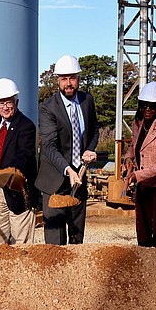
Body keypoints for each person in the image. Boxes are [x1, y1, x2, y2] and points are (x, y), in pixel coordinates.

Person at [35, 55, 99, 245]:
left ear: (78, 78)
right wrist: (68, 169)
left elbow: (94, 129)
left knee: (77, 234)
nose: (68, 83)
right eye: (64, 79)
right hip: (55, 178)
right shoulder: (48, 108)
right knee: (56, 240)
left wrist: (89, 149)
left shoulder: (87, 100)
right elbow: (49, 145)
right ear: (58, 81)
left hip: (79, 176)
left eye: (72, 78)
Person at [0, 78, 38, 244]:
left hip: (19, 189)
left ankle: (22, 269)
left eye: (8, 102)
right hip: (0, 190)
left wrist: (2, 172)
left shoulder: (26, 126)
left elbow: (24, 156)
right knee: (0, 239)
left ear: (16, 101)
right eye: (0, 103)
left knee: (22, 241)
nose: (4, 107)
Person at [123, 82, 156, 248]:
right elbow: (133, 146)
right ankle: (143, 263)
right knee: (142, 227)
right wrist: (128, 159)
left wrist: (137, 175)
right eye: (144, 105)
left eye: (152, 106)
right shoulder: (138, 123)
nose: (147, 109)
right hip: (144, 184)